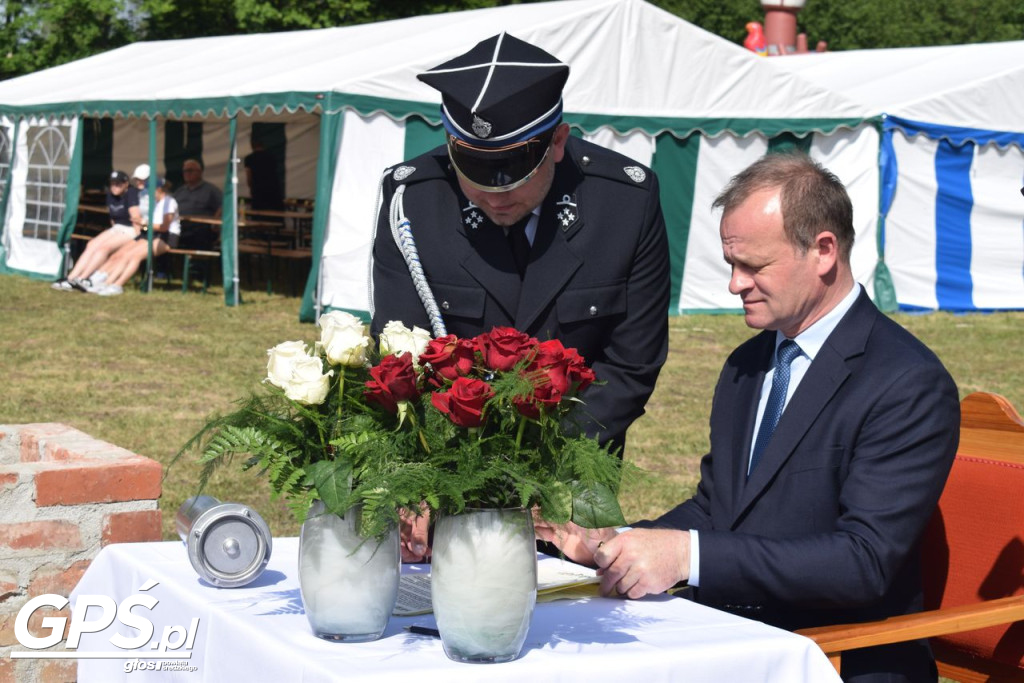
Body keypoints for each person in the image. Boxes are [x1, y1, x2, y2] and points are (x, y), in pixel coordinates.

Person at [536, 153, 961, 683]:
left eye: (754, 266)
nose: (735, 285)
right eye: (731, 265)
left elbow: (863, 563)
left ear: (824, 251)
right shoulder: (748, 363)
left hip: (839, 657)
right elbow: (720, 510)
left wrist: (686, 556)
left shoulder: (906, 382)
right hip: (731, 638)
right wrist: (616, 543)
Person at [368, 32, 671, 562]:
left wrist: (538, 479)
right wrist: (426, 476)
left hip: (570, 483)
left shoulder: (624, 202)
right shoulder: (413, 201)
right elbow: (401, 354)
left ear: (556, 142)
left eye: (514, 175)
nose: (494, 194)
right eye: (473, 171)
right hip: (447, 482)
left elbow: (629, 366)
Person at [86, 178, 180, 296]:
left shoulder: (169, 202)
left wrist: (144, 222)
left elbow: (164, 227)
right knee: (120, 254)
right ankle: (103, 281)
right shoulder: (155, 202)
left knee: (134, 256)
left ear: (158, 189)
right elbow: (151, 226)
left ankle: (117, 285)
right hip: (151, 232)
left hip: (167, 237)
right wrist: (142, 226)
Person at [53, 170, 140, 292]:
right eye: (112, 183)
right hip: (118, 228)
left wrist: (137, 239)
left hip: (131, 229)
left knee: (104, 248)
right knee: (91, 244)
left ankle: (84, 278)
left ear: (126, 184)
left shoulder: (132, 193)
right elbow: (113, 220)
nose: (115, 186)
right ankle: (71, 278)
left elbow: (135, 218)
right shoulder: (110, 195)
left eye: (118, 183)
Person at [174, 158, 222, 251]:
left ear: (199, 172)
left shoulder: (210, 190)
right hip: (180, 227)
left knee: (200, 236)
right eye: (185, 171)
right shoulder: (180, 191)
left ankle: (196, 264)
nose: (187, 173)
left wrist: (216, 220)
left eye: (190, 170)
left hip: (200, 228)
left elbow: (224, 205)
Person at [244, 137, 284, 212]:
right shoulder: (271, 156)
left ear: (252, 146)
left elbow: (249, 175)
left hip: (258, 189)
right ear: (263, 146)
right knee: (274, 212)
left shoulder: (249, 158)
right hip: (273, 188)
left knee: (258, 212)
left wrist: (251, 187)